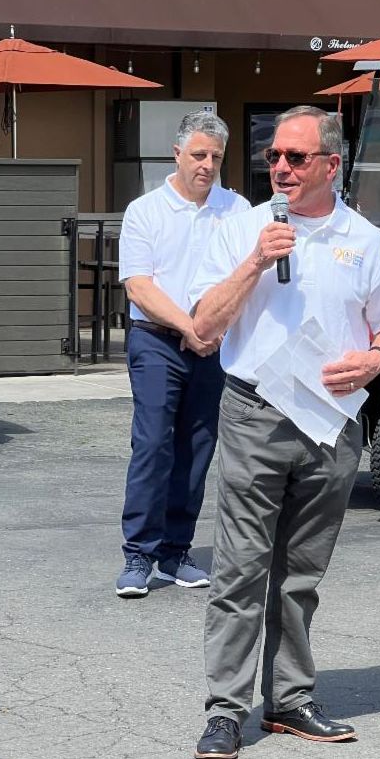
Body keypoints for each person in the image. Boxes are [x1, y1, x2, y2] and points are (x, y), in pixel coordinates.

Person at [188, 106, 380, 759]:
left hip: (331, 421)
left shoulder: (367, 240)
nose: (280, 168)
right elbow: (203, 325)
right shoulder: (242, 229)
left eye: (296, 157)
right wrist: (255, 263)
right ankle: (226, 710)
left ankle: (288, 699)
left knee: (300, 573)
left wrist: (376, 359)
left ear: (331, 165)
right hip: (255, 413)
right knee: (240, 569)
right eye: (273, 156)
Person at [114, 110, 249, 598]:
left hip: (213, 346)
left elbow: (246, 278)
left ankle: (175, 552)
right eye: (198, 155)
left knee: (197, 448)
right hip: (156, 341)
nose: (207, 165)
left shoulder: (237, 210)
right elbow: (138, 286)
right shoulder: (145, 211)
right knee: (153, 444)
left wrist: (215, 331)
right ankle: (138, 554)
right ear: (177, 154)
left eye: (216, 156)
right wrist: (190, 327)